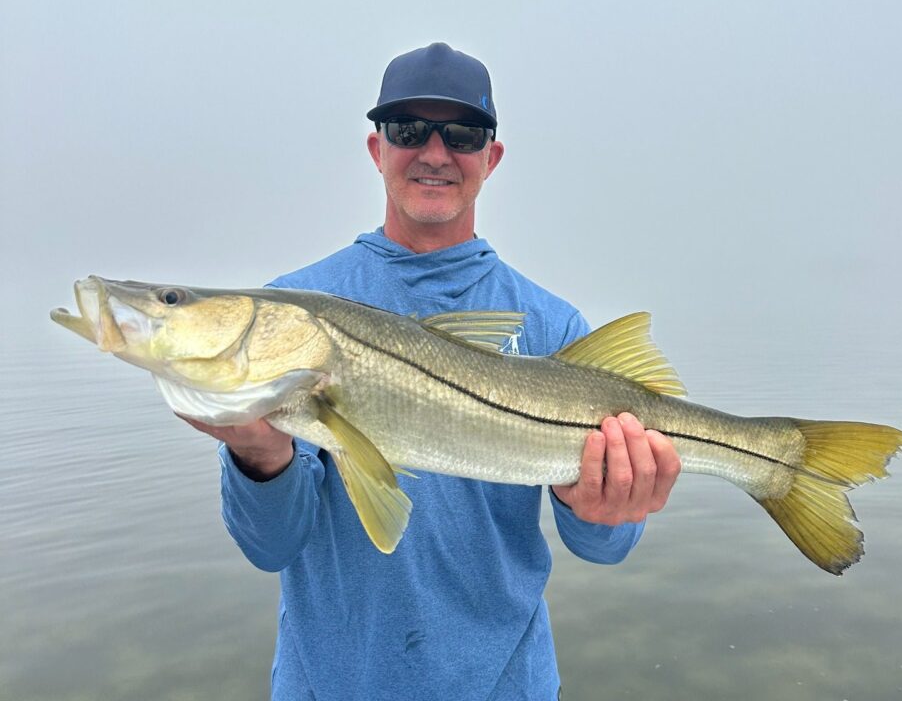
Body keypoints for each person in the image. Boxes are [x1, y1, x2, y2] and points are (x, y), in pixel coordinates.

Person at [183, 42, 681, 701]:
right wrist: (258, 456)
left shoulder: (552, 326)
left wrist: (600, 506)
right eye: (409, 129)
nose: (436, 152)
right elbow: (270, 546)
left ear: (491, 157)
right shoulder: (291, 315)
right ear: (377, 149)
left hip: (508, 685)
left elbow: (605, 548)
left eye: (463, 132)